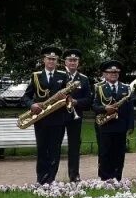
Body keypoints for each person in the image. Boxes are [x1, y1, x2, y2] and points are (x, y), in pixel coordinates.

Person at [22, 46, 69, 184]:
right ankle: (41, 179)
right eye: (49, 58)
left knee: (55, 151)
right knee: (42, 150)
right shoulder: (36, 76)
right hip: (40, 119)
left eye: (54, 59)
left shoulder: (63, 76)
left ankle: (51, 179)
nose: (51, 61)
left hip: (58, 119)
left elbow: (69, 98)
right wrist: (31, 104)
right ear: (44, 60)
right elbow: (26, 96)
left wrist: (64, 98)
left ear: (57, 61)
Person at [92, 60, 134, 180]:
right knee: (105, 153)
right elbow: (94, 106)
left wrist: (130, 126)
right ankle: (104, 178)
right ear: (105, 74)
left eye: (116, 72)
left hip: (120, 126)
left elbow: (130, 110)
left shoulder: (126, 88)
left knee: (119, 154)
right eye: (110, 72)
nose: (113, 74)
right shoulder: (99, 88)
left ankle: (117, 178)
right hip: (105, 126)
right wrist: (104, 108)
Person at [62, 48, 91, 182]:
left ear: (78, 62)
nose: (73, 62)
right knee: (55, 145)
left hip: (75, 116)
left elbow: (88, 100)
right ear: (65, 62)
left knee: (74, 146)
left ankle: (74, 175)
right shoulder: (60, 75)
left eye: (75, 60)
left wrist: (76, 102)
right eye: (70, 60)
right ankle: (49, 176)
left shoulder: (84, 79)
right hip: (59, 116)